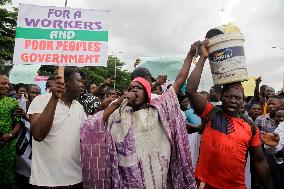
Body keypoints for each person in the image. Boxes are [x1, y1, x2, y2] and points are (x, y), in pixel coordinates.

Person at [80, 41, 201, 188]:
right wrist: (118, 102)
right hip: (128, 181)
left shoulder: (158, 109)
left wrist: (190, 54)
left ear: (147, 93)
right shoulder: (119, 113)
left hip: (156, 179)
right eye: (130, 88)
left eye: (138, 88)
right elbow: (93, 125)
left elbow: (180, 79)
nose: (133, 91)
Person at [186, 39, 273, 189]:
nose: (233, 100)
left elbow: (260, 162)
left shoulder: (250, 128)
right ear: (221, 98)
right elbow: (191, 91)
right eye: (228, 96)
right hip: (206, 185)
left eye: (237, 98)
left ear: (243, 101)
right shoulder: (211, 113)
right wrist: (203, 57)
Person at [27, 68, 85, 188]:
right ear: (66, 82)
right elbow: (38, 135)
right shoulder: (40, 100)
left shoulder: (79, 106)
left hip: (77, 179)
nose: (82, 84)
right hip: (46, 181)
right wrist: (54, 98)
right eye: (79, 80)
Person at [14, 84, 41, 189]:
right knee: (23, 174)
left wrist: (26, 117)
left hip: (37, 144)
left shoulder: (44, 106)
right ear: (27, 93)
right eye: (32, 92)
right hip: (23, 144)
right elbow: (18, 122)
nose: (34, 95)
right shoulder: (21, 104)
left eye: (37, 93)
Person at [0, 74, 22, 189]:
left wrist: (10, 135)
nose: (7, 86)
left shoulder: (12, 102)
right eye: (3, 83)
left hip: (6, 149)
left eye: (8, 84)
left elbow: (18, 122)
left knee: (7, 179)